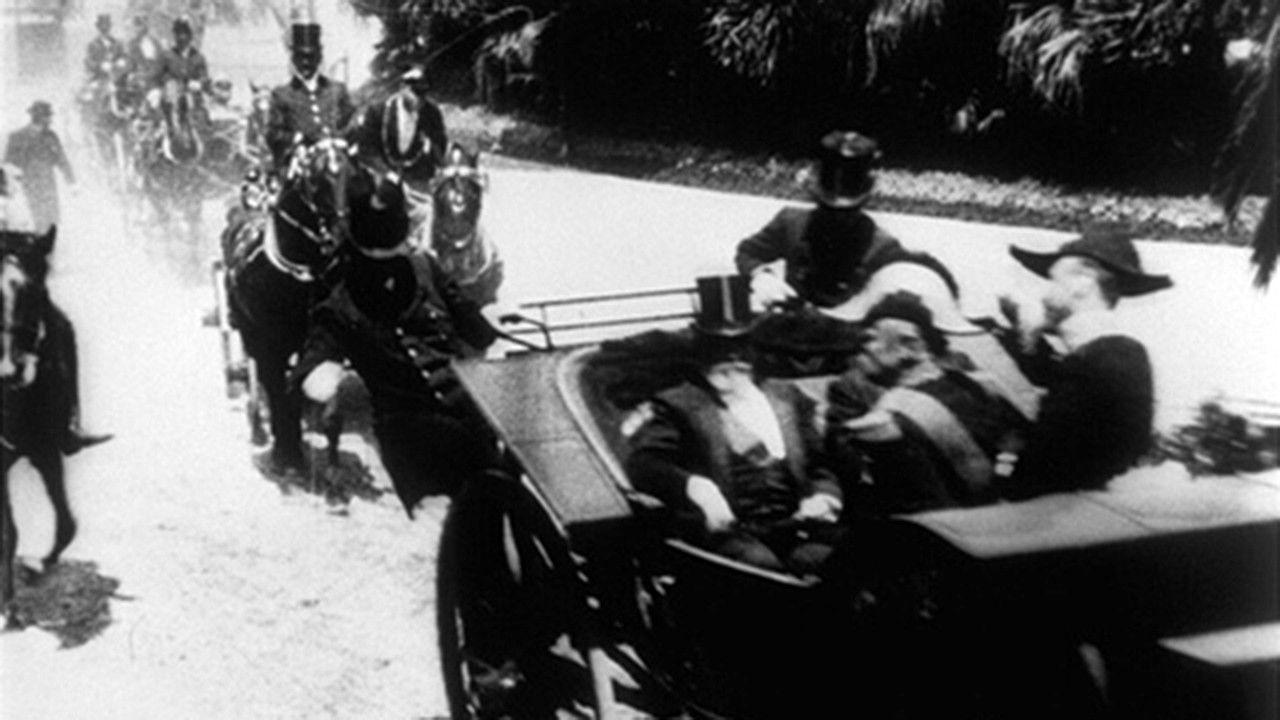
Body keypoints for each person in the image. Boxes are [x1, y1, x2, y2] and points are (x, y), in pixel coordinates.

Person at [293, 180, 499, 517]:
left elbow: (477, 330)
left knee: (503, 491)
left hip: (469, 414)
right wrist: (321, 370)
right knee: (456, 514)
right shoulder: (339, 305)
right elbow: (315, 365)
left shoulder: (427, 269)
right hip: (410, 435)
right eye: (379, 257)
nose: (389, 263)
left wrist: (490, 322)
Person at [624, 275, 845, 575]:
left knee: (845, 565)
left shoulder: (787, 397)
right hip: (728, 534)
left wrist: (825, 496)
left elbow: (821, 464)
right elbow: (644, 464)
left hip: (798, 526)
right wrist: (697, 488)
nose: (730, 359)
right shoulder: (677, 405)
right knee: (764, 573)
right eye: (717, 348)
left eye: (739, 347)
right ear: (700, 353)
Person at [1000, 230, 1173, 498]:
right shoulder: (1123, 352)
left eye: (1054, 280)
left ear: (1083, 283)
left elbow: (1040, 473)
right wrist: (1028, 334)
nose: (1045, 294)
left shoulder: (1093, 364)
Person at [826, 292, 1021, 514]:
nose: (859, 348)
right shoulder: (984, 386)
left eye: (869, 338)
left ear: (911, 347)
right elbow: (1016, 448)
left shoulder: (880, 424)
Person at [0, 172, 112, 455]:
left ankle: (69, 422)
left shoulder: (11, 195)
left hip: (15, 277)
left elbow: (32, 237)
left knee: (62, 329)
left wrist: (32, 246)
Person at [735, 130, 908, 310]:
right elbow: (748, 252)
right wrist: (761, 277)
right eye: (827, 208)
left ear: (863, 202)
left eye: (847, 211)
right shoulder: (792, 223)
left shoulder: (883, 248)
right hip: (793, 327)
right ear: (816, 198)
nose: (836, 218)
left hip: (849, 332)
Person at [347, 64, 449, 242]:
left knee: (429, 216)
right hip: (382, 177)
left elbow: (440, 151)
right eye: (415, 93)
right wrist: (387, 174)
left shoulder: (431, 114)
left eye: (424, 94)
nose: (420, 100)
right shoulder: (378, 111)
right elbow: (366, 150)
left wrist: (430, 147)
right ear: (403, 88)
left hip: (416, 181)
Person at [265, 22, 356, 176]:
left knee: (363, 188)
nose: (306, 63)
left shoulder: (337, 90)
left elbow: (351, 122)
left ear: (319, 57)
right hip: (300, 161)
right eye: (300, 57)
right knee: (287, 195)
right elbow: (272, 134)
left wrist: (341, 139)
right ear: (293, 59)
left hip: (338, 158)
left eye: (311, 57)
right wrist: (296, 139)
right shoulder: (282, 94)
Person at [4, 101, 75, 234]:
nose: (50, 120)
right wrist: (13, 183)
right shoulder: (17, 137)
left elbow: (62, 160)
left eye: (49, 116)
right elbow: (8, 165)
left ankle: (52, 248)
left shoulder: (51, 136)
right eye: (46, 116)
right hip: (28, 186)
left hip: (48, 185)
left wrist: (72, 182)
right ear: (38, 117)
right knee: (35, 219)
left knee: (53, 220)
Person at [125, 16, 164, 92]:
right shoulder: (132, 44)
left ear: (146, 27)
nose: (139, 29)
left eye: (142, 25)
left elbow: (161, 60)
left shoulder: (155, 42)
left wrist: (155, 72)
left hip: (156, 75)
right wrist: (133, 74)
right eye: (137, 26)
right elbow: (130, 63)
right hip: (140, 76)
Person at [84, 14, 124, 82]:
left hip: (116, 78)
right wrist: (99, 66)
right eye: (102, 28)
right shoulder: (93, 45)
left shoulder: (117, 43)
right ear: (98, 28)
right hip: (98, 77)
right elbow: (88, 61)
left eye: (107, 27)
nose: (104, 29)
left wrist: (120, 62)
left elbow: (123, 57)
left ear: (110, 27)